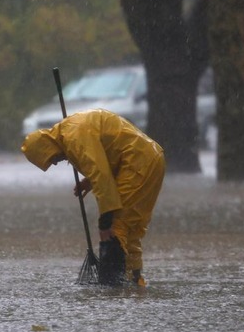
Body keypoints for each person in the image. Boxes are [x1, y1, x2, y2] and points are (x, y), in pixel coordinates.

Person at [21, 108, 165, 286]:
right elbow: (105, 158)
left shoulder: (73, 137)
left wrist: (105, 221)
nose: (56, 162)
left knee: (116, 227)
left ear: (46, 148)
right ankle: (134, 282)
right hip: (150, 157)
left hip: (137, 162)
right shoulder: (69, 132)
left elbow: (102, 176)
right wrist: (88, 182)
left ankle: (112, 285)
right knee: (130, 229)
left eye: (52, 159)